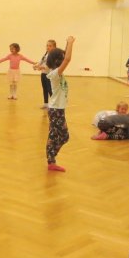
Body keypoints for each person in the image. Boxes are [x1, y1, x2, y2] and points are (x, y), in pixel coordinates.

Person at [45, 36, 75, 172]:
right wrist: (70, 43)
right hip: (56, 110)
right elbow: (67, 59)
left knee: (58, 136)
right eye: (61, 59)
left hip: (58, 109)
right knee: (60, 136)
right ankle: (51, 159)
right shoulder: (55, 74)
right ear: (58, 61)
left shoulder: (57, 73)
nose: (64, 60)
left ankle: (51, 159)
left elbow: (65, 57)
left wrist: (67, 44)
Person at [35, 40, 56, 109]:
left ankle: (53, 104)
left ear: (54, 47)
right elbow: (41, 61)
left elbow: (49, 66)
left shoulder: (53, 55)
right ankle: (46, 104)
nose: (48, 47)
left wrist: (41, 67)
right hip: (43, 74)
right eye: (47, 45)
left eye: (50, 46)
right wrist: (36, 65)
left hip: (49, 75)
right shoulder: (46, 54)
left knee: (50, 90)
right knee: (45, 89)